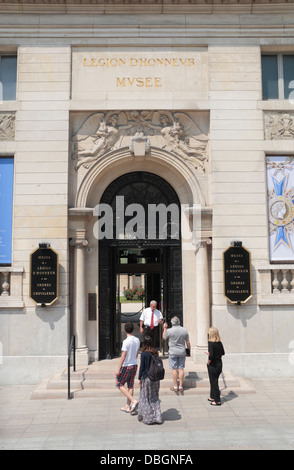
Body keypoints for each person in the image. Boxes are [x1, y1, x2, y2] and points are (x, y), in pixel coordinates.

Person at [115, 322, 140, 414]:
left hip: (127, 365)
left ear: (125, 330)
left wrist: (118, 369)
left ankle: (133, 400)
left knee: (118, 383)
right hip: (134, 364)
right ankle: (127, 405)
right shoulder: (137, 340)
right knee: (130, 385)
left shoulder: (126, 342)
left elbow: (123, 356)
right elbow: (137, 353)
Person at [137, 336, 162, 425]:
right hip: (155, 378)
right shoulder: (155, 352)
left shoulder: (144, 354)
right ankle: (157, 416)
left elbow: (142, 367)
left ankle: (148, 417)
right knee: (154, 397)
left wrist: (139, 378)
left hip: (147, 378)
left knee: (146, 397)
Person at [162, 316, 191, 393]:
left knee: (174, 369)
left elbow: (164, 338)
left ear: (172, 323)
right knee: (181, 368)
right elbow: (188, 342)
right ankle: (180, 386)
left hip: (173, 352)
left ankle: (175, 386)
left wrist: (164, 328)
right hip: (182, 351)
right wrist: (188, 350)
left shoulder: (169, 330)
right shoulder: (184, 330)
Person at [206, 327, 225, 406]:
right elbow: (223, 353)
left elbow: (211, 356)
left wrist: (208, 361)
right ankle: (212, 396)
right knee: (213, 380)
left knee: (214, 382)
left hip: (213, 364)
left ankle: (217, 400)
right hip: (219, 363)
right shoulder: (219, 343)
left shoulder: (211, 343)